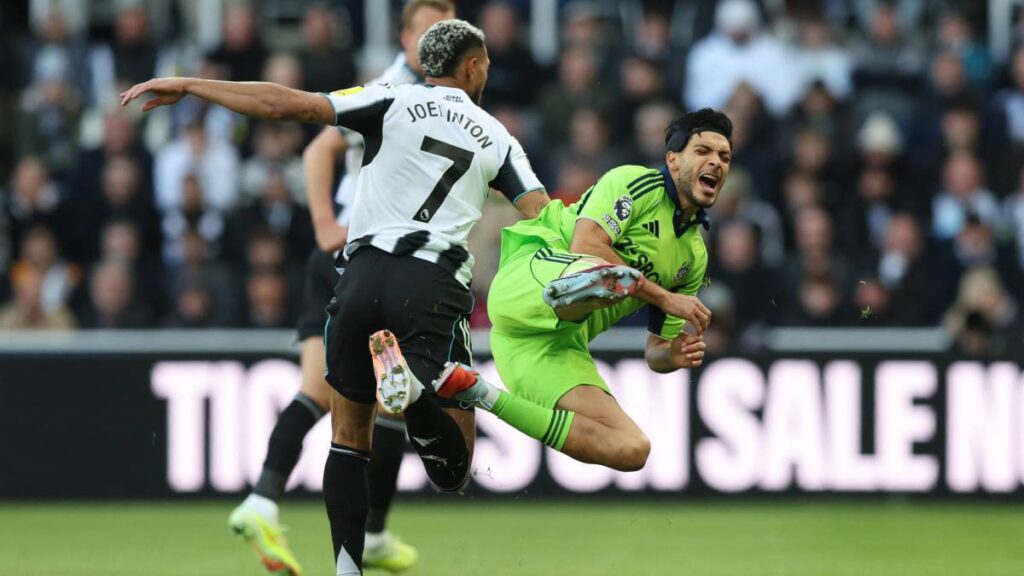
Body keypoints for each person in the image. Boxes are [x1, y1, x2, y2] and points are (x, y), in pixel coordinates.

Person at [121, 19, 548, 575]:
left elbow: (284, 105)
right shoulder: (497, 135)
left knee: (348, 440)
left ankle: (347, 569)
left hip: (360, 275)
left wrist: (194, 86)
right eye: (486, 66)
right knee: (453, 469)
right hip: (431, 283)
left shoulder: (388, 97)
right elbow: (545, 218)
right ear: (472, 67)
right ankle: (414, 393)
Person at [226, 1, 454, 574]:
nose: (437, 43)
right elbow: (319, 145)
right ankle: (369, 533)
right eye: (428, 30)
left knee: (326, 392)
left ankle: (263, 498)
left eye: (446, 30)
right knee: (388, 404)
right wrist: (328, 226)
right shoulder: (394, 88)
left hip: (351, 257)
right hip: (364, 257)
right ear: (404, 38)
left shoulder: (434, 95)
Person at [432, 110, 729, 471]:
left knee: (631, 448)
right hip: (530, 278)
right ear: (672, 159)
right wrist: (663, 297)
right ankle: (578, 290)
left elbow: (655, 353)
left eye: (724, 157)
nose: (715, 161)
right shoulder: (633, 183)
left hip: (542, 345)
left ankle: (478, 392)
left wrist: (674, 356)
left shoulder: (693, 257)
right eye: (703, 151)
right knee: (603, 272)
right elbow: (586, 244)